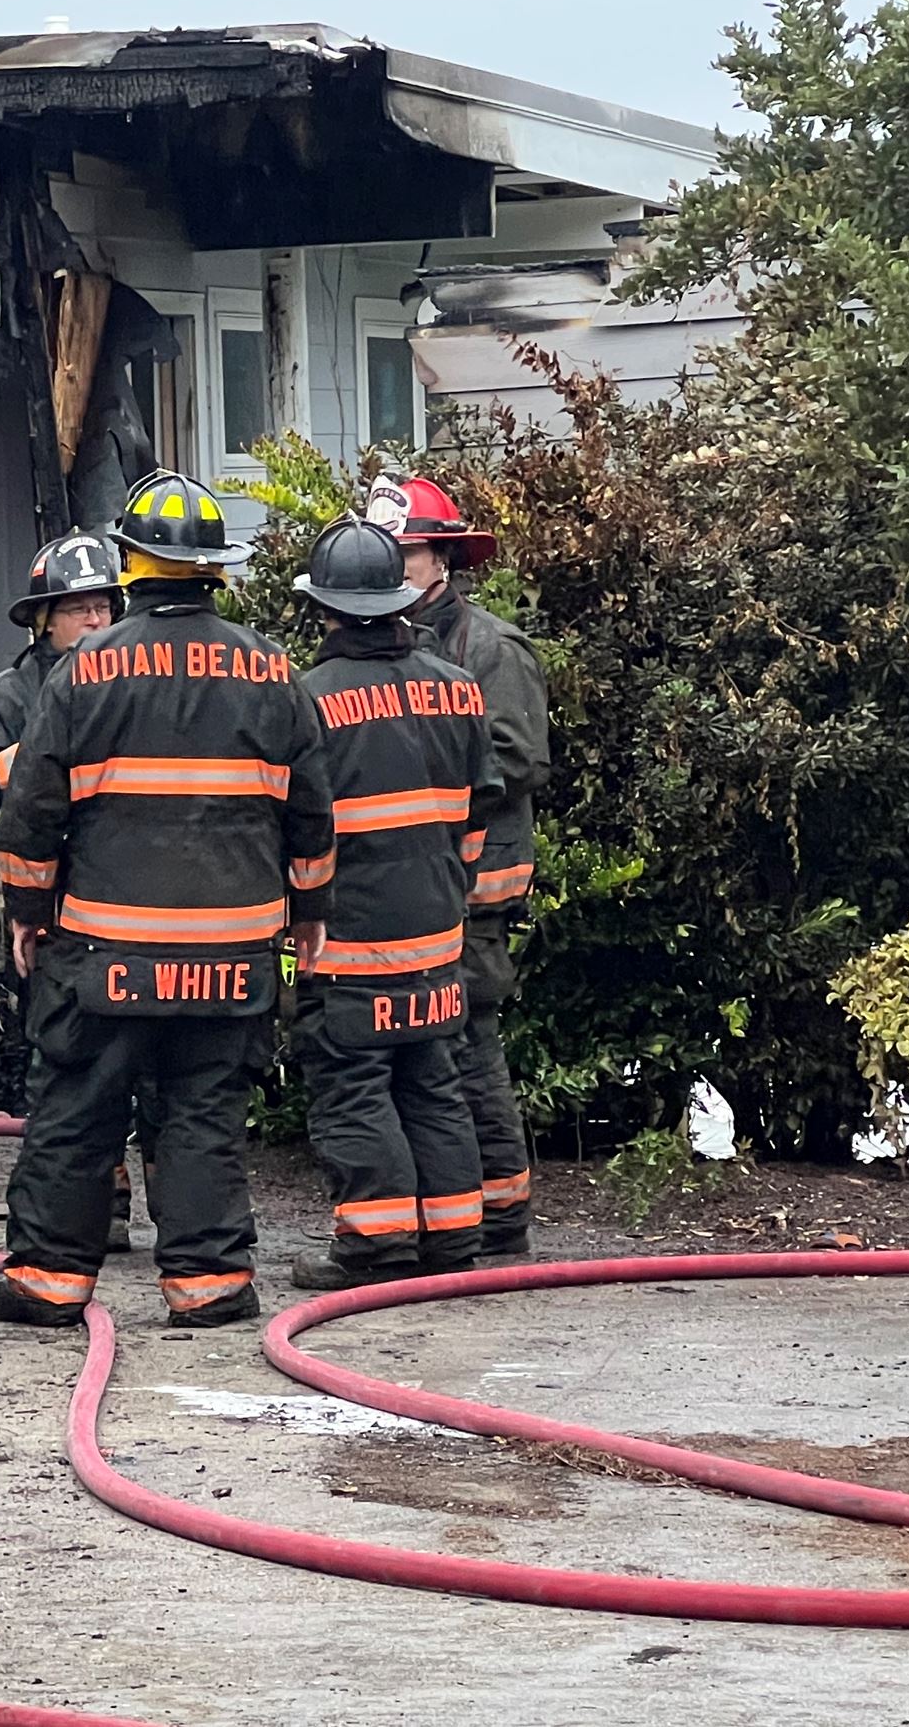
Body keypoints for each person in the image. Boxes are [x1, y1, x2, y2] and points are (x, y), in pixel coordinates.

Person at [0, 471, 336, 1329]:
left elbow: (32, 812)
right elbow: (310, 813)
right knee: (203, 1116)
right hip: (231, 956)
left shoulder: (84, 671)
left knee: (78, 1111)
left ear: (132, 563)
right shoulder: (273, 670)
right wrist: (310, 914)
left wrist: (28, 915)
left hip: (103, 950)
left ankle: (47, 1285)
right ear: (212, 566)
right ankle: (209, 1286)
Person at [288, 517, 502, 1290]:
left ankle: (377, 1244)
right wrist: (451, 891)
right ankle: (453, 1234)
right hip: (440, 933)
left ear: (327, 608)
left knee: (353, 1087)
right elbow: (479, 812)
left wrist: (297, 914)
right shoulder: (457, 684)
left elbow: (302, 825)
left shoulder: (309, 698)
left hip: (349, 941)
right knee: (431, 1080)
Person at [367, 474, 550, 1255]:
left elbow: (518, 757)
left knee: (468, 1044)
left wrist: (419, 779)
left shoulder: (490, 648)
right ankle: (451, 1210)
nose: (394, 570)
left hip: (475, 888)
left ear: (442, 558)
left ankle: (502, 1212)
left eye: (404, 555)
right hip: (418, 886)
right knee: (427, 1056)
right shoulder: (385, 643)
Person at [0, 531, 137, 1249]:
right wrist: (38, 759)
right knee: (63, 1053)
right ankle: (91, 1195)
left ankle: (117, 1187)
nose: (94, 621)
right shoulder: (13, 694)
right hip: (48, 902)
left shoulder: (137, 681)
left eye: (103, 606)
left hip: (124, 896)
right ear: (43, 618)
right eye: (78, 607)